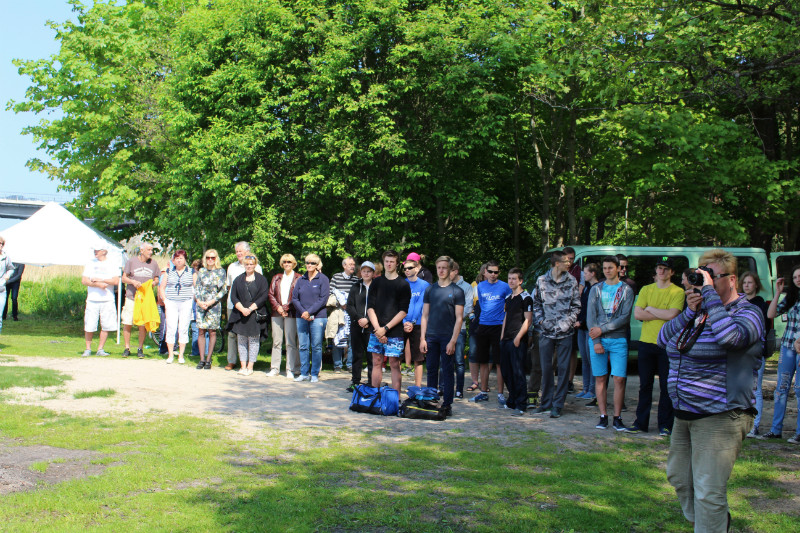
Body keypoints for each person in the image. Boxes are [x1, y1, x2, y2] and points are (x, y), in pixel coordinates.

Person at [658, 249, 763, 532]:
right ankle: (713, 524)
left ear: (732, 280)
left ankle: (711, 526)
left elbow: (731, 338)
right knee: (680, 479)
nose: (704, 283)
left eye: (711, 277)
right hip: (684, 413)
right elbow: (663, 339)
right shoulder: (700, 312)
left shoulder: (749, 312)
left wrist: (710, 297)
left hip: (720, 415)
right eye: (701, 276)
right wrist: (689, 312)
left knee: (708, 491)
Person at [626, 257, 684, 436]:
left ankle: (665, 425)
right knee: (645, 385)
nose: (662, 271)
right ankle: (641, 422)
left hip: (667, 345)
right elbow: (638, 314)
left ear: (672, 272)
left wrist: (650, 309)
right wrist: (661, 314)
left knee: (666, 386)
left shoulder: (678, 291)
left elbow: (672, 315)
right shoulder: (646, 289)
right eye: (659, 268)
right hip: (646, 342)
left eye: (665, 269)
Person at [587, 255, 635, 430]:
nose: (607, 271)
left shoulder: (626, 290)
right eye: (605, 268)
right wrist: (596, 340)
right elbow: (591, 317)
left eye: (611, 268)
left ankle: (617, 417)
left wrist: (602, 329)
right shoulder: (596, 289)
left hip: (618, 339)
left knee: (619, 378)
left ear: (618, 269)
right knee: (600, 378)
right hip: (597, 340)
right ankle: (603, 416)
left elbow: (624, 317)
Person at [531, 251, 581, 418]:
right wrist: (541, 321)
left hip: (565, 333)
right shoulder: (541, 280)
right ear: (557, 263)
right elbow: (536, 303)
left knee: (563, 370)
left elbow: (576, 306)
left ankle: (558, 405)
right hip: (546, 332)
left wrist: (566, 324)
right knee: (546, 369)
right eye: (566, 261)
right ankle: (545, 403)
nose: (569, 263)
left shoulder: (571, 280)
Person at [420, 256, 465, 416]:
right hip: (431, 336)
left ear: (450, 269)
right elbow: (424, 315)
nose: (441, 270)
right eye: (439, 267)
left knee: (447, 371)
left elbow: (459, 318)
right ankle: (431, 400)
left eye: (444, 267)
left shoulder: (457, 291)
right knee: (431, 370)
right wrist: (422, 338)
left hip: (447, 336)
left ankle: (447, 404)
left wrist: (453, 340)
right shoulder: (430, 290)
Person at [762, 265, 800, 443]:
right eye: (795, 277)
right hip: (787, 346)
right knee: (781, 388)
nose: (798, 279)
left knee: (799, 389)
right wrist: (778, 292)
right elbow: (771, 314)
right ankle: (775, 430)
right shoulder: (791, 298)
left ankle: (799, 432)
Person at [367, 250, 411, 391]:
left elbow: (403, 311)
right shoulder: (376, 282)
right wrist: (378, 330)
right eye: (386, 261)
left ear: (397, 264)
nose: (389, 264)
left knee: (394, 363)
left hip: (394, 330)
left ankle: (395, 398)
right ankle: (374, 395)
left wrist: (385, 329)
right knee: (376, 361)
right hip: (376, 329)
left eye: (392, 261)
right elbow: (370, 308)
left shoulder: (403, 284)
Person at [470, 260, 511, 406]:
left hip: (498, 326)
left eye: (496, 272)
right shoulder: (480, 286)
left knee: (499, 362)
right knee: (483, 360)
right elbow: (481, 303)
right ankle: (483, 392)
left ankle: (500, 393)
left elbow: (509, 305)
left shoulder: (505, 286)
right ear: (485, 272)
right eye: (490, 272)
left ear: (499, 273)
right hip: (483, 325)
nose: (493, 274)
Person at [738, 271, 769, 438]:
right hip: (739, 353)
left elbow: (764, 329)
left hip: (755, 353)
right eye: (744, 283)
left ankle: (754, 426)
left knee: (755, 389)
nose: (747, 285)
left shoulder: (761, 305)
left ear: (756, 284)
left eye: (750, 282)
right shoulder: (738, 303)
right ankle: (740, 424)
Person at [499, 268, 534, 416]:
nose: (511, 281)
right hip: (506, 340)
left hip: (517, 340)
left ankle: (521, 403)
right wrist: (502, 336)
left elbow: (528, 320)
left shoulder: (526, 298)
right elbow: (506, 317)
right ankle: (512, 399)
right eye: (509, 278)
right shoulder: (508, 297)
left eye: (514, 279)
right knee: (506, 371)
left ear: (520, 281)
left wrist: (518, 338)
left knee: (518, 372)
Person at [228, 254, 269, 376]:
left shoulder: (261, 280)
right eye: (247, 264)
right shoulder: (238, 279)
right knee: (241, 340)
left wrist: (250, 309)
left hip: (255, 313)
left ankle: (250, 366)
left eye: (251, 264)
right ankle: (243, 366)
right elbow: (233, 296)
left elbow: (264, 296)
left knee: (253, 341)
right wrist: (242, 309)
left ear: (255, 265)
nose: (249, 266)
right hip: (241, 314)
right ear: (244, 265)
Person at [292, 253, 330, 382]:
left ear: (317, 265)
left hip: (318, 316)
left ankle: (314, 374)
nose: (309, 265)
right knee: (303, 346)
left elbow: (323, 299)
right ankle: (304, 373)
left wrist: (309, 312)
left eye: (312, 263)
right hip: (301, 316)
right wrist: (303, 312)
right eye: (307, 262)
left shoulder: (323, 279)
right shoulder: (300, 279)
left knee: (316, 346)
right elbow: (295, 298)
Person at [81, 243, 119, 357]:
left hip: (107, 299)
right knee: (89, 324)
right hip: (92, 298)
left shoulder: (112, 263)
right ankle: (88, 348)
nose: (95, 252)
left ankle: (100, 349)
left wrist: (101, 280)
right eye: (95, 250)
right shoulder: (90, 263)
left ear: (104, 251)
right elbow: (84, 280)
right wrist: (98, 284)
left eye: (97, 250)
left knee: (106, 325)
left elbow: (115, 281)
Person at [268, 254, 301, 378]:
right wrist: (279, 307)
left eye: (289, 262)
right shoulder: (276, 278)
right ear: (282, 264)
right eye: (284, 262)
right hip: (277, 313)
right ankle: (275, 368)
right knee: (276, 341)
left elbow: (298, 296)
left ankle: (290, 369)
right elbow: (271, 294)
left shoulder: (299, 278)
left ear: (293, 263)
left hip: (291, 313)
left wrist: (286, 307)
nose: (287, 264)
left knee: (290, 342)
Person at [159, 250, 194, 364]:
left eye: (181, 258)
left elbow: (196, 287)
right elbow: (162, 287)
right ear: (173, 260)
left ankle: (181, 355)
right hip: (172, 302)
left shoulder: (191, 271)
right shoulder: (168, 271)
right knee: (171, 327)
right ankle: (170, 354)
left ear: (185, 259)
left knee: (183, 328)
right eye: (177, 258)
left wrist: (192, 300)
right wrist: (165, 300)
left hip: (185, 302)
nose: (179, 260)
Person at [194, 249, 227, 370]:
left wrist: (211, 302)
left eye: (213, 257)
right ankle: (202, 359)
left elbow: (223, 290)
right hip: (201, 304)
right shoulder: (202, 271)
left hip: (213, 305)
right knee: (201, 331)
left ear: (216, 259)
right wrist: (199, 301)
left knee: (212, 331)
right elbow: (197, 287)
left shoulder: (221, 271)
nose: (210, 260)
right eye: (208, 257)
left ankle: (208, 359)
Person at [346, 261, 376, 391]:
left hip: (372, 326)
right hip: (356, 325)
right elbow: (350, 306)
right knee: (357, 354)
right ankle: (355, 381)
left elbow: (380, 306)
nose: (366, 273)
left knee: (371, 356)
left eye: (369, 271)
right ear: (360, 272)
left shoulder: (377, 287)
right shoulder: (355, 287)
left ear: (373, 273)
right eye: (364, 271)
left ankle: (371, 382)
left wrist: (368, 320)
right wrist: (359, 319)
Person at [402, 258, 430, 387]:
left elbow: (420, 305)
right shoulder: (402, 284)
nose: (407, 270)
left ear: (417, 269)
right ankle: (397, 388)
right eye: (405, 269)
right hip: (402, 323)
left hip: (418, 324)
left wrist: (412, 322)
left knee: (418, 359)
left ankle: (417, 387)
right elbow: (399, 305)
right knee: (396, 357)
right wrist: (404, 322)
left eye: (410, 268)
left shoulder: (424, 285)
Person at [575, 262, 600, 400]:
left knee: (592, 360)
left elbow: (593, 311)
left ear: (593, 273)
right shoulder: (586, 288)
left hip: (590, 329)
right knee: (584, 359)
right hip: (582, 329)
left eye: (585, 273)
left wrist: (582, 321)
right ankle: (585, 388)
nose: (583, 275)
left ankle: (592, 389)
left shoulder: (597, 288)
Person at [329, 256, 358, 373]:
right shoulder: (336, 277)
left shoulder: (356, 279)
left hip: (352, 313)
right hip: (338, 312)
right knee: (337, 338)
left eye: (353, 264)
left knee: (352, 340)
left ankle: (350, 364)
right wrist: (340, 303)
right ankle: (337, 365)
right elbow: (330, 293)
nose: (352, 266)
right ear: (344, 266)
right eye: (350, 264)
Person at [450, 261, 473, 400]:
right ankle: (442, 388)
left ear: (456, 271)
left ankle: (459, 390)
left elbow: (468, 308)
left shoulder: (467, 287)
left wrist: (454, 318)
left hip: (460, 328)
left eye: (449, 270)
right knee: (444, 361)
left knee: (459, 360)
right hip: (445, 328)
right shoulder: (444, 285)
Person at [467, 263, 487, 393]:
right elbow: (469, 303)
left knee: (488, 354)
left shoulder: (497, 286)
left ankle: (485, 382)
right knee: (473, 352)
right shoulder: (474, 285)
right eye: (488, 271)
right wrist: (471, 316)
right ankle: (475, 381)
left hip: (490, 323)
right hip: (476, 322)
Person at [0, 237, 16, 335]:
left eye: (1, 243)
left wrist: (8, 275)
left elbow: (11, 268)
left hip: (1, 290)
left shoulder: (6, 257)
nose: (0, 245)